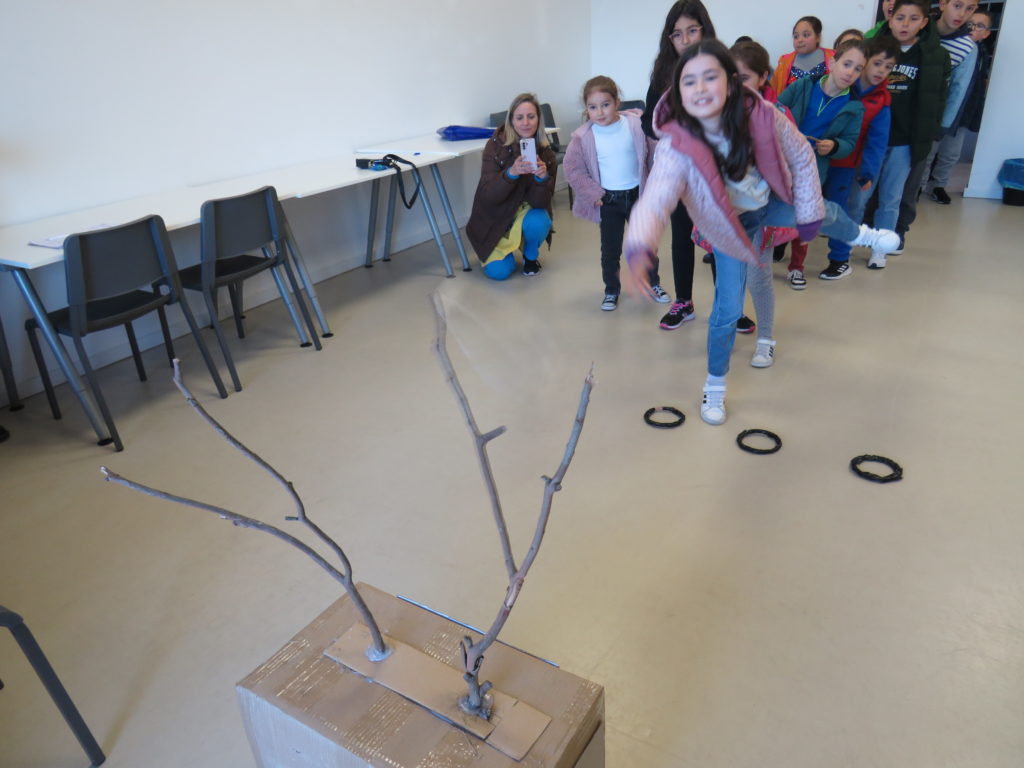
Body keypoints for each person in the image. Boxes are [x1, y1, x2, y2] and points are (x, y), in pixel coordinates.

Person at [623, 40, 899, 425]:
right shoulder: (677, 145)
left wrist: (806, 210)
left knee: (824, 213)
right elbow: (654, 200)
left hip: (769, 201)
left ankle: (863, 236)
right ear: (680, 92)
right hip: (730, 228)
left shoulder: (763, 114)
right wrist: (638, 246)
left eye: (710, 77)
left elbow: (802, 155)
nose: (700, 88)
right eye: (689, 81)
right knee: (727, 310)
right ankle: (714, 386)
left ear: (732, 82)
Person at [691, 39, 800, 365]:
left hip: (761, 212)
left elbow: (792, 164)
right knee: (729, 285)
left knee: (759, 276)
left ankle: (765, 337)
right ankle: (723, 333)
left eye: (745, 78)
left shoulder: (776, 114)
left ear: (764, 77)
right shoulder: (713, 112)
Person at [641, 0, 717, 330]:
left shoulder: (719, 69)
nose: (685, 39)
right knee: (682, 236)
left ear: (704, 30)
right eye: (677, 34)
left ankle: (729, 306)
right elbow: (647, 122)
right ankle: (683, 302)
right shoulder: (662, 74)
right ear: (669, 39)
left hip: (714, 172)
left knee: (718, 239)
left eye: (692, 30)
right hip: (678, 171)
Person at [563, 76, 667, 311]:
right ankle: (611, 289)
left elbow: (654, 155)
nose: (599, 112)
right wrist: (594, 193)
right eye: (592, 107)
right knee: (610, 249)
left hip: (638, 197)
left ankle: (653, 283)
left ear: (617, 102)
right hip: (608, 200)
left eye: (605, 104)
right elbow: (572, 169)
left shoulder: (635, 125)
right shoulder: (583, 137)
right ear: (587, 109)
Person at [777, 38, 868, 281]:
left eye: (858, 68)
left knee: (806, 216)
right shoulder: (804, 85)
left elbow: (849, 141)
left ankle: (797, 267)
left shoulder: (854, 106)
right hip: (782, 163)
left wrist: (835, 146)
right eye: (847, 64)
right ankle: (770, 248)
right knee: (774, 207)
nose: (851, 72)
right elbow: (776, 109)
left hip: (814, 169)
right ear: (832, 62)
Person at [869, 0, 950, 258]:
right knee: (864, 191)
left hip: (907, 139)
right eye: (900, 17)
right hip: (873, 136)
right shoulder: (873, 48)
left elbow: (938, 98)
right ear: (890, 18)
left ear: (925, 22)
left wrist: (932, 129)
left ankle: (893, 235)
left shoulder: (936, 55)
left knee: (898, 192)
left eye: (913, 18)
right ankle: (864, 233)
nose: (905, 24)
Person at [769, 16, 837, 289]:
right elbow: (775, 102)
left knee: (807, 209)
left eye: (806, 34)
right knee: (779, 201)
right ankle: (775, 247)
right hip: (786, 146)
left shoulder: (833, 62)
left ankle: (797, 266)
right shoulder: (786, 62)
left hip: (816, 150)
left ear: (818, 37)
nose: (800, 40)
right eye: (796, 35)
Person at [824, 34, 898, 271]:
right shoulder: (843, 84)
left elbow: (878, 142)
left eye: (889, 67)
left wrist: (867, 172)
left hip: (847, 165)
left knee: (842, 210)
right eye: (877, 63)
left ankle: (839, 258)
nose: (881, 71)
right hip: (820, 157)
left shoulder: (882, 100)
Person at [466, 94, 557, 280]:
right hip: (495, 217)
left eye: (531, 117)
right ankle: (497, 250)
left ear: (538, 119)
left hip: (524, 212)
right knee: (500, 272)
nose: (525, 123)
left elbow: (542, 203)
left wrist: (541, 179)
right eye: (519, 117)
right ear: (511, 120)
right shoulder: (494, 146)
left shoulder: (546, 154)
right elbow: (489, 196)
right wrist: (511, 174)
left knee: (540, 219)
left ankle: (530, 257)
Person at [921, 1, 984, 205]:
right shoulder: (919, 28)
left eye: (970, 8)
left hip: (935, 113)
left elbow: (958, 90)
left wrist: (944, 124)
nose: (962, 13)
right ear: (942, 4)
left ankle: (927, 188)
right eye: (957, 5)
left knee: (933, 154)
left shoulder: (968, 47)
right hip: (904, 108)